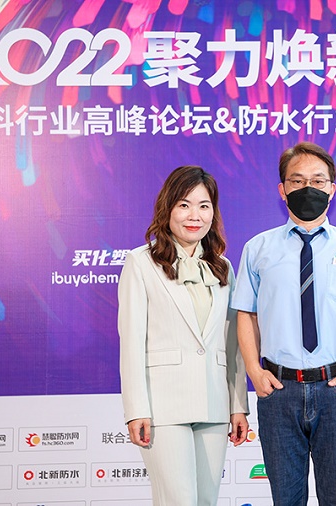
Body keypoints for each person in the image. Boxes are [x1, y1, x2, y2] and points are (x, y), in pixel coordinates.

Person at [231, 142, 336, 505]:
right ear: (282, 189)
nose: (307, 188)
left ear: (332, 188)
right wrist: (254, 371)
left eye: (317, 180)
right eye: (297, 181)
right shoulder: (258, 249)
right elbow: (246, 314)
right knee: (286, 499)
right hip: (278, 391)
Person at [118, 166, 249, 506]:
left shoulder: (223, 267)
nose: (195, 216)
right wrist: (136, 409)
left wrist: (238, 406)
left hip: (214, 404)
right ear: (168, 208)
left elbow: (232, 344)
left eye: (204, 206)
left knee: (206, 501)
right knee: (179, 500)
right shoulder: (141, 262)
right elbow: (131, 342)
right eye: (184, 205)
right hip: (163, 407)